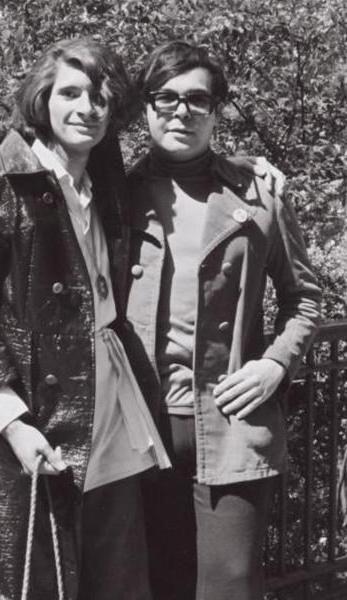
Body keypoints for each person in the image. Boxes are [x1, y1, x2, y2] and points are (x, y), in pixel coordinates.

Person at [0, 38, 171, 600]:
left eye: (101, 96)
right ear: (43, 99)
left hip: (115, 407)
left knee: (117, 579)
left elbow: (181, 168)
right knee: (39, 582)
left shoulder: (105, 177)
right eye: (70, 93)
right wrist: (13, 420)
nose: (86, 108)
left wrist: (247, 169)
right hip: (35, 418)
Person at [121, 41, 322, 600]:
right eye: (165, 98)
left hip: (230, 426)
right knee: (154, 585)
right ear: (145, 108)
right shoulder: (114, 196)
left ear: (217, 109)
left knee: (228, 587)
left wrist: (276, 365)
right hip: (137, 429)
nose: (180, 111)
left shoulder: (258, 197)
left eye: (197, 99)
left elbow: (304, 297)